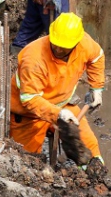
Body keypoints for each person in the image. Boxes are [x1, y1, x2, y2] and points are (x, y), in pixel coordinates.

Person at [10, 12, 105, 165]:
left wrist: (96, 88)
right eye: (56, 44)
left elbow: (97, 57)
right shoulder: (34, 58)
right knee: (26, 161)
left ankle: (95, 173)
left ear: (76, 43)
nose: (58, 49)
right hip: (29, 114)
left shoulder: (84, 44)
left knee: (89, 144)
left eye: (64, 47)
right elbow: (30, 99)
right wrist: (58, 114)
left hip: (62, 105)